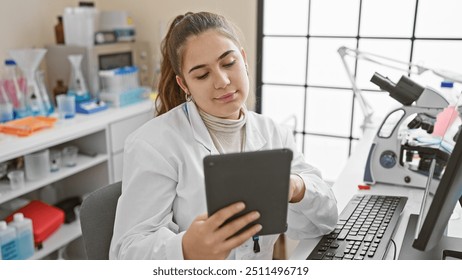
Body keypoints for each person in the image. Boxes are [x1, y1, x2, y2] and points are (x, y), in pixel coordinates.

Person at [109, 11, 338, 260]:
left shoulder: (274, 134)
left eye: (229, 63)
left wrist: (296, 187)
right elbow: (125, 254)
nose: (222, 81)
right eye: (202, 75)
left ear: (244, 59)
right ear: (184, 84)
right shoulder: (154, 144)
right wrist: (185, 249)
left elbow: (325, 221)